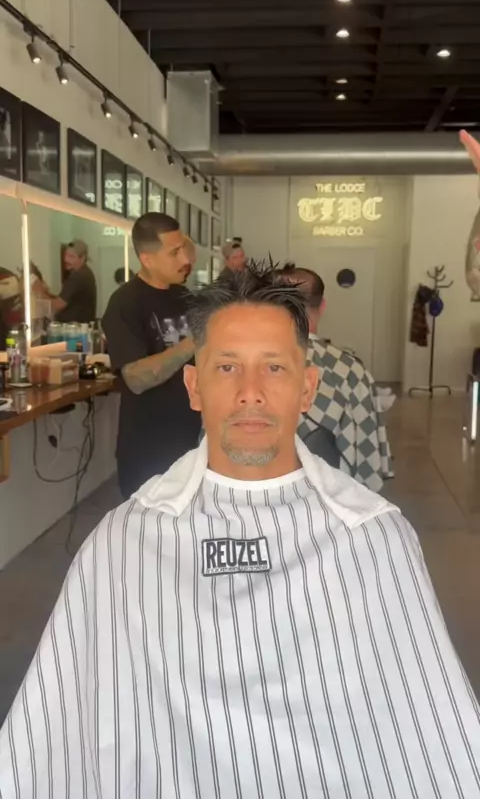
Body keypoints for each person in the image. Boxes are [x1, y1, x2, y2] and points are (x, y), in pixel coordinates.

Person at [2, 263, 480, 797]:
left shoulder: (373, 538)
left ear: (307, 387)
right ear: (194, 386)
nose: (251, 392)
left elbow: (439, 740)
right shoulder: (125, 542)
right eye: (227, 367)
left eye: (274, 368)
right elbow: (46, 741)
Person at [102, 212, 201, 498]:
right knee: (149, 524)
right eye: (174, 252)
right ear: (147, 259)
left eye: (184, 249)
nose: (185, 259)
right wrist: (192, 343)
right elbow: (136, 379)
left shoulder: (184, 297)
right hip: (147, 446)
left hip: (189, 439)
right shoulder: (124, 304)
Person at [280, 263, 393, 492]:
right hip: (333, 499)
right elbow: (367, 461)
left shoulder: (242, 365)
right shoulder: (349, 371)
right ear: (321, 307)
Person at [37, 239, 97, 323]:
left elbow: (57, 305)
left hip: (75, 329)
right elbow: (65, 299)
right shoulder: (85, 273)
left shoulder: (78, 277)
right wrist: (46, 293)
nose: (66, 259)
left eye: (71, 256)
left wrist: (39, 291)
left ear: (82, 258)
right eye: (65, 255)